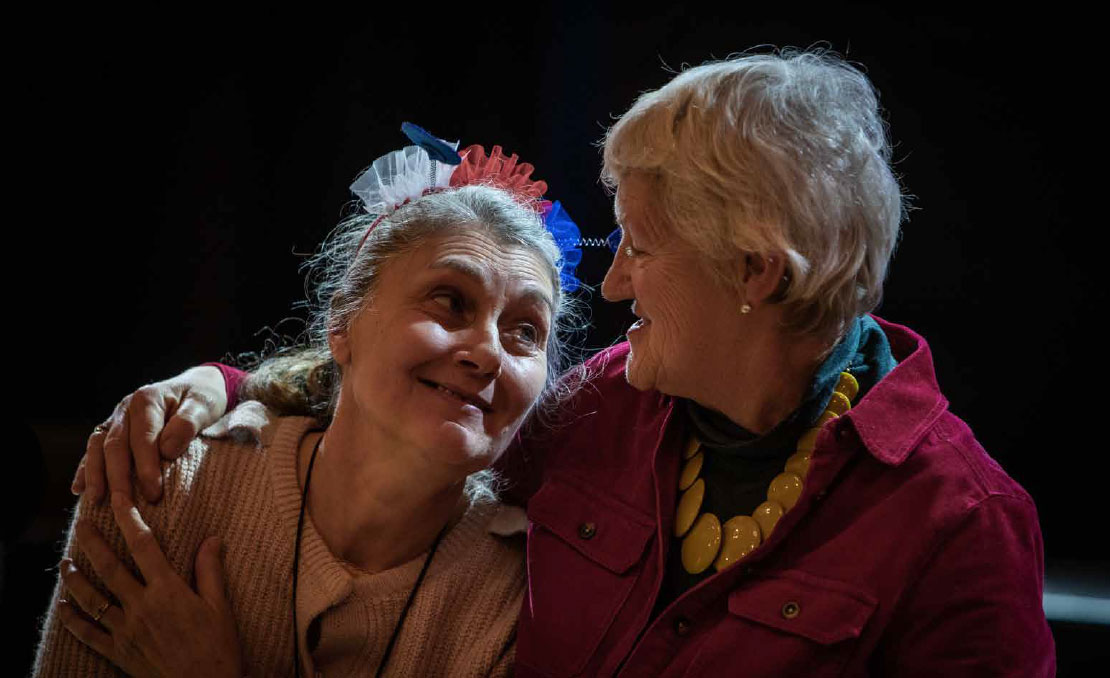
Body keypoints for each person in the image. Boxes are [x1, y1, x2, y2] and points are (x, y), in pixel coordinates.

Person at [74, 50, 1055, 676]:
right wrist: (212, 388)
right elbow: (409, 408)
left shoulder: (958, 527)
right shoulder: (605, 406)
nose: (616, 284)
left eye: (641, 246)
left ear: (756, 272)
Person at [36, 126, 584, 677]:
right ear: (342, 323)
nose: (487, 354)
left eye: (526, 332)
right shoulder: (160, 479)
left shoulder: (519, 603)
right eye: (449, 301)